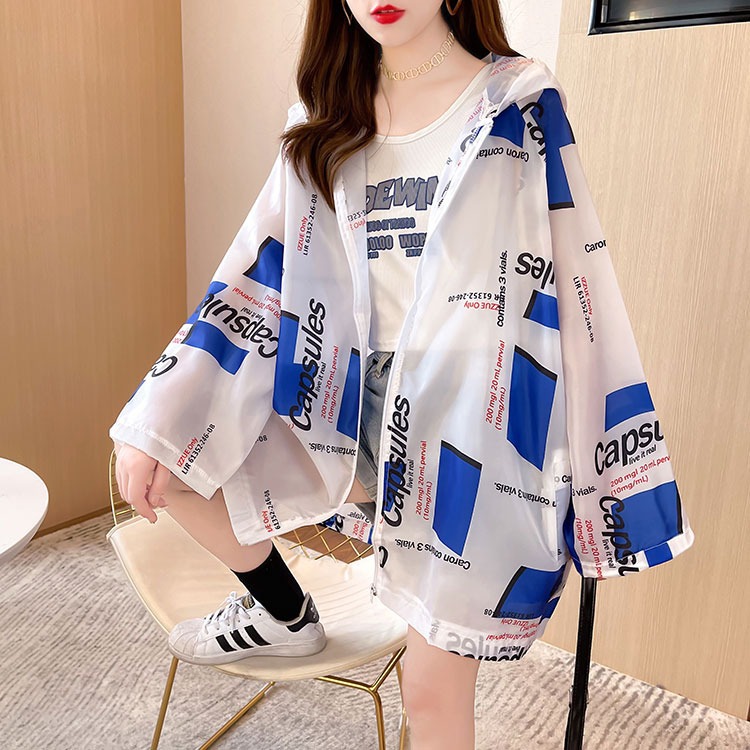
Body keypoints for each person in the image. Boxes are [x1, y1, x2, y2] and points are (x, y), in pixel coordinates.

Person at [111, 2, 695, 748]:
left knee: (430, 687)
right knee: (163, 459)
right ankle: (284, 614)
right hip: (345, 396)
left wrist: (599, 469)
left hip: (468, 419)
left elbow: (577, 276)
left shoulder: (514, 101)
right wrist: (159, 411)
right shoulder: (325, 119)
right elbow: (261, 271)